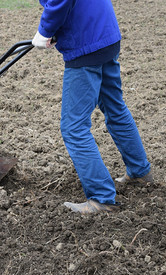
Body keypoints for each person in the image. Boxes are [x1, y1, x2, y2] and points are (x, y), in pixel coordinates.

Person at [32, 0, 153, 214]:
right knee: (115, 107)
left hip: (86, 42)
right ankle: (140, 171)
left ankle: (101, 197)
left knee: (74, 127)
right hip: (104, 33)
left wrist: (45, 31)